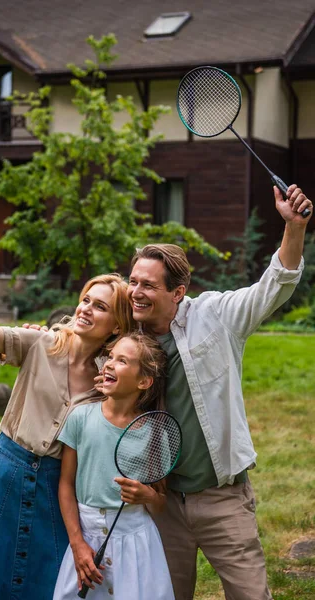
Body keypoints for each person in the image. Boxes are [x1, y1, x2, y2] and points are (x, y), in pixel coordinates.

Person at [125, 184, 313, 600]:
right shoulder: (123, 340)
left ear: (177, 293)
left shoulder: (215, 315)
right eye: (133, 281)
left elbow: (274, 285)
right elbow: (72, 340)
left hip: (222, 496)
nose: (136, 291)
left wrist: (294, 227)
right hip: (161, 501)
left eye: (148, 285)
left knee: (250, 594)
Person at [0, 242, 134, 600]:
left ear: (116, 324)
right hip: (7, 474)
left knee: (45, 577)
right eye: (86, 299)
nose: (86, 309)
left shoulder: (108, 380)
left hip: (55, 488)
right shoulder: (42, 343)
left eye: (100, 306)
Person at [53, 332, 175, 600]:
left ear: (144, 381)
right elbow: (65, 484)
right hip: (86, 538)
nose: (109, 363)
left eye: (122, 361)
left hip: (136, 543)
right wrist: (77, 545)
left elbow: (160, 502)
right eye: (110, 356)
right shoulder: (80, 418)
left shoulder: (156, 433)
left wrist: (149, 496)